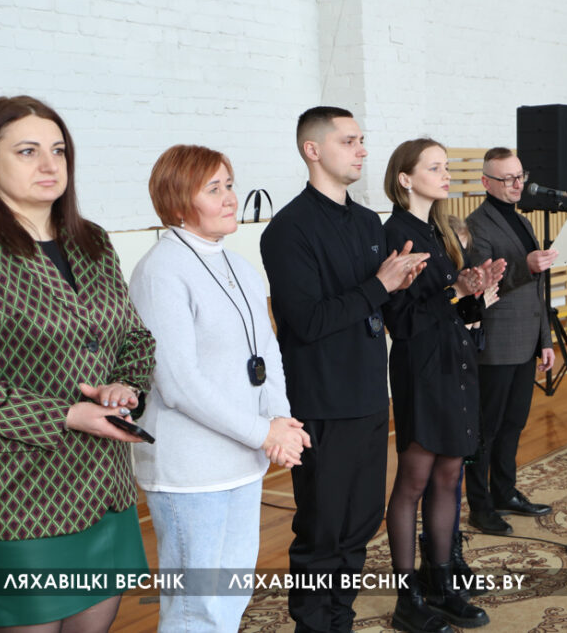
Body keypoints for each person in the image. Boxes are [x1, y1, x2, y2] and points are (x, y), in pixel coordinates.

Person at [0, 95, 156, 631]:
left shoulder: (91, 239)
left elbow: (135, 338)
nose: (49, 164)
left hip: (104, 487)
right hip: (18, 495)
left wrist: (126, 386)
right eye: (27, 151)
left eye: (58, 150)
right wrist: (67, 414)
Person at [128, 145, 310, 632]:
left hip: (241, 460)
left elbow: (266, 352)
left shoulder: (237, 265)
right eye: (214, 189)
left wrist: (281, 420)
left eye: (229, 184)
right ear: (177, 201)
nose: (230, 197)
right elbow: (178, 383)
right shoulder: (161, 271)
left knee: (231, 595)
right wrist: (264, 432)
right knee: (197, 609)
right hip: (191, 470)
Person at [259, 107, 427, 632]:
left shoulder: (367, 222)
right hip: (321, 401)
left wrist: (407, 288)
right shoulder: (287, 230)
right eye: (349, 141)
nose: (362, 150)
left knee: (360, 524)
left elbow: (374, 307)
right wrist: (380, 285)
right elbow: (309, 321)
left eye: (362, 140)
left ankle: (341, 619)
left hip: (370, 395)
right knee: (323, 530)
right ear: (312, 150)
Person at [382, 138, 504, 632]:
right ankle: (407, 595)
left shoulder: (438, 230)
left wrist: (477, 292)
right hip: (422, 369)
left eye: (447, 166)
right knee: (413, 481)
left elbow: (449, 309)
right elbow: (401, 321)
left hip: (456, 362)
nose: (446, 174)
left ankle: (442, 581)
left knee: (449, 476)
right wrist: (456, 290)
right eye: (435, 167)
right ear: (405, 178)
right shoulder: (395, 233)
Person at [464, 147, 557, 536]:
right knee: (485, 430)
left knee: (514, 424)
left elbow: (538, 290)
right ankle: (479, 506)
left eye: (520, 176)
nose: (518, 184)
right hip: (496, 344)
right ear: (486, 182)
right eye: (508, 179)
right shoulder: (476, 225)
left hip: (526, 339)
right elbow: (480, 288)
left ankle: (505, 492)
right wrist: (526, 265)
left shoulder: (521, 220)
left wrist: (545, 339)